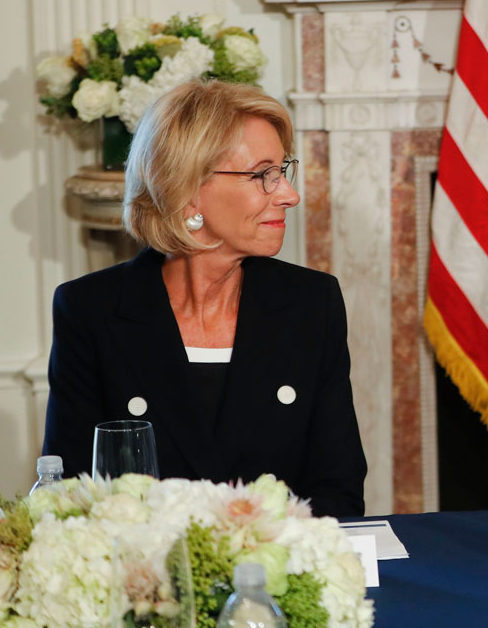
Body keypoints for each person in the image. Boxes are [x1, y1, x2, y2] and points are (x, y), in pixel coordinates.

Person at [43, 79, 366, 518]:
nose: (289, 195)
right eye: (262, 175)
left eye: (282, 171)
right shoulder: (91, 311)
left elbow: (338, 492)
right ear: (187, 189)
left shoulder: (312, 303)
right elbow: (69, 499)